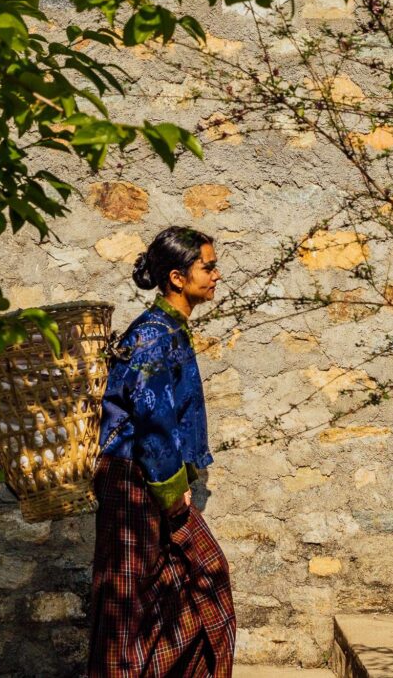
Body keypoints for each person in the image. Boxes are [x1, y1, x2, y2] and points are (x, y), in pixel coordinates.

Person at [88, 227, 236, 678]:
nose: (216, 275)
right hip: (135, 482)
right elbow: (151, 421)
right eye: (207, 267)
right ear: (176, 277)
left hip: (147, 479)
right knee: (128, 612)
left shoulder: (170, 330)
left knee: (189, 589)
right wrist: (173, 491)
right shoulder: (153, 335)